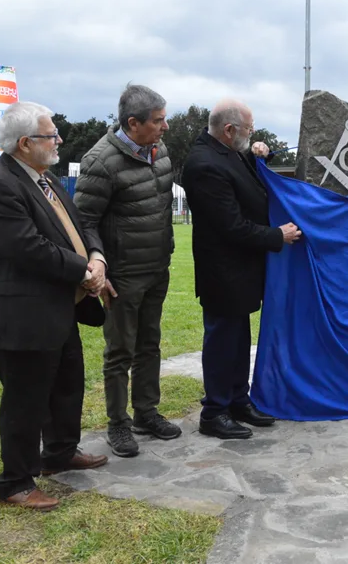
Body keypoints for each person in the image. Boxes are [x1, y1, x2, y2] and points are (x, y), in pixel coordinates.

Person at [0, 101, 108, 511]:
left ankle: (60, 453)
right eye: (51, 135)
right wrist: (84, 270)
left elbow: (81, 224)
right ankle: (15, 482)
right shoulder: (0, 183)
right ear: (26, 142)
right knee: (25, 401)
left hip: (59, 306)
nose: (59, 140)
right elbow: (28, 248)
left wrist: (97, 257)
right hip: (22, 316)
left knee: (66, 384)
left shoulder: (41, 179)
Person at [181, 99, 301, 440]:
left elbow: (243, 178)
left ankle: (237, 399)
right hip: (223, 271)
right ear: (229, 130)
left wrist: (257, 154)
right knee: (222, 340)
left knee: (237, 339)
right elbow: (230, 225)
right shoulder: (204, 164)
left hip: (241, 270)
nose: (251, 134)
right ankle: (214, 411)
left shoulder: (227, 152)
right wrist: (278, 235)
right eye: (248, 130)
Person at [74, 84, 179, 458]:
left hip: (156, 268)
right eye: (158, 121)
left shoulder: (160, 151)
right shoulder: (100, 161)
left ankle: (146, 413)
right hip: (121, 276)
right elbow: (84, 220)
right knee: (120, 351)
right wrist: (100, 264)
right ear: (133, 124)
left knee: (149, 344)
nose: (165, 127)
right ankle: (117, 424)